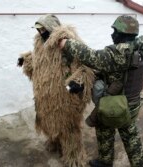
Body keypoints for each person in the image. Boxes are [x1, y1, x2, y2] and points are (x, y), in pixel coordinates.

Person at [59, 15, 143, 167]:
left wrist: (67, 44)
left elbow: (92, 57)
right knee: (131, 135)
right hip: (132, 102)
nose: (112, 35)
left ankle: (105, 162)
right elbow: (118, 72)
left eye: (115, 31)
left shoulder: (121, 52)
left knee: (104, 128)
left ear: (124, 33)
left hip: (117, 104)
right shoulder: (140, 49)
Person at [17, 14, 95, 167]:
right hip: (45, 96)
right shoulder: (40, 43)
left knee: (68, 128)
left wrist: (79, 81)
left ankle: (74, 157)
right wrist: (26, 60)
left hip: (65, 96)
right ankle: (55, 142)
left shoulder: (68, 42)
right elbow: (40, 65)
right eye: (38, 29)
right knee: (49, 122)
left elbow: (85, 65)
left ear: (51, 28)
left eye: (42, 29)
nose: (39, 32)